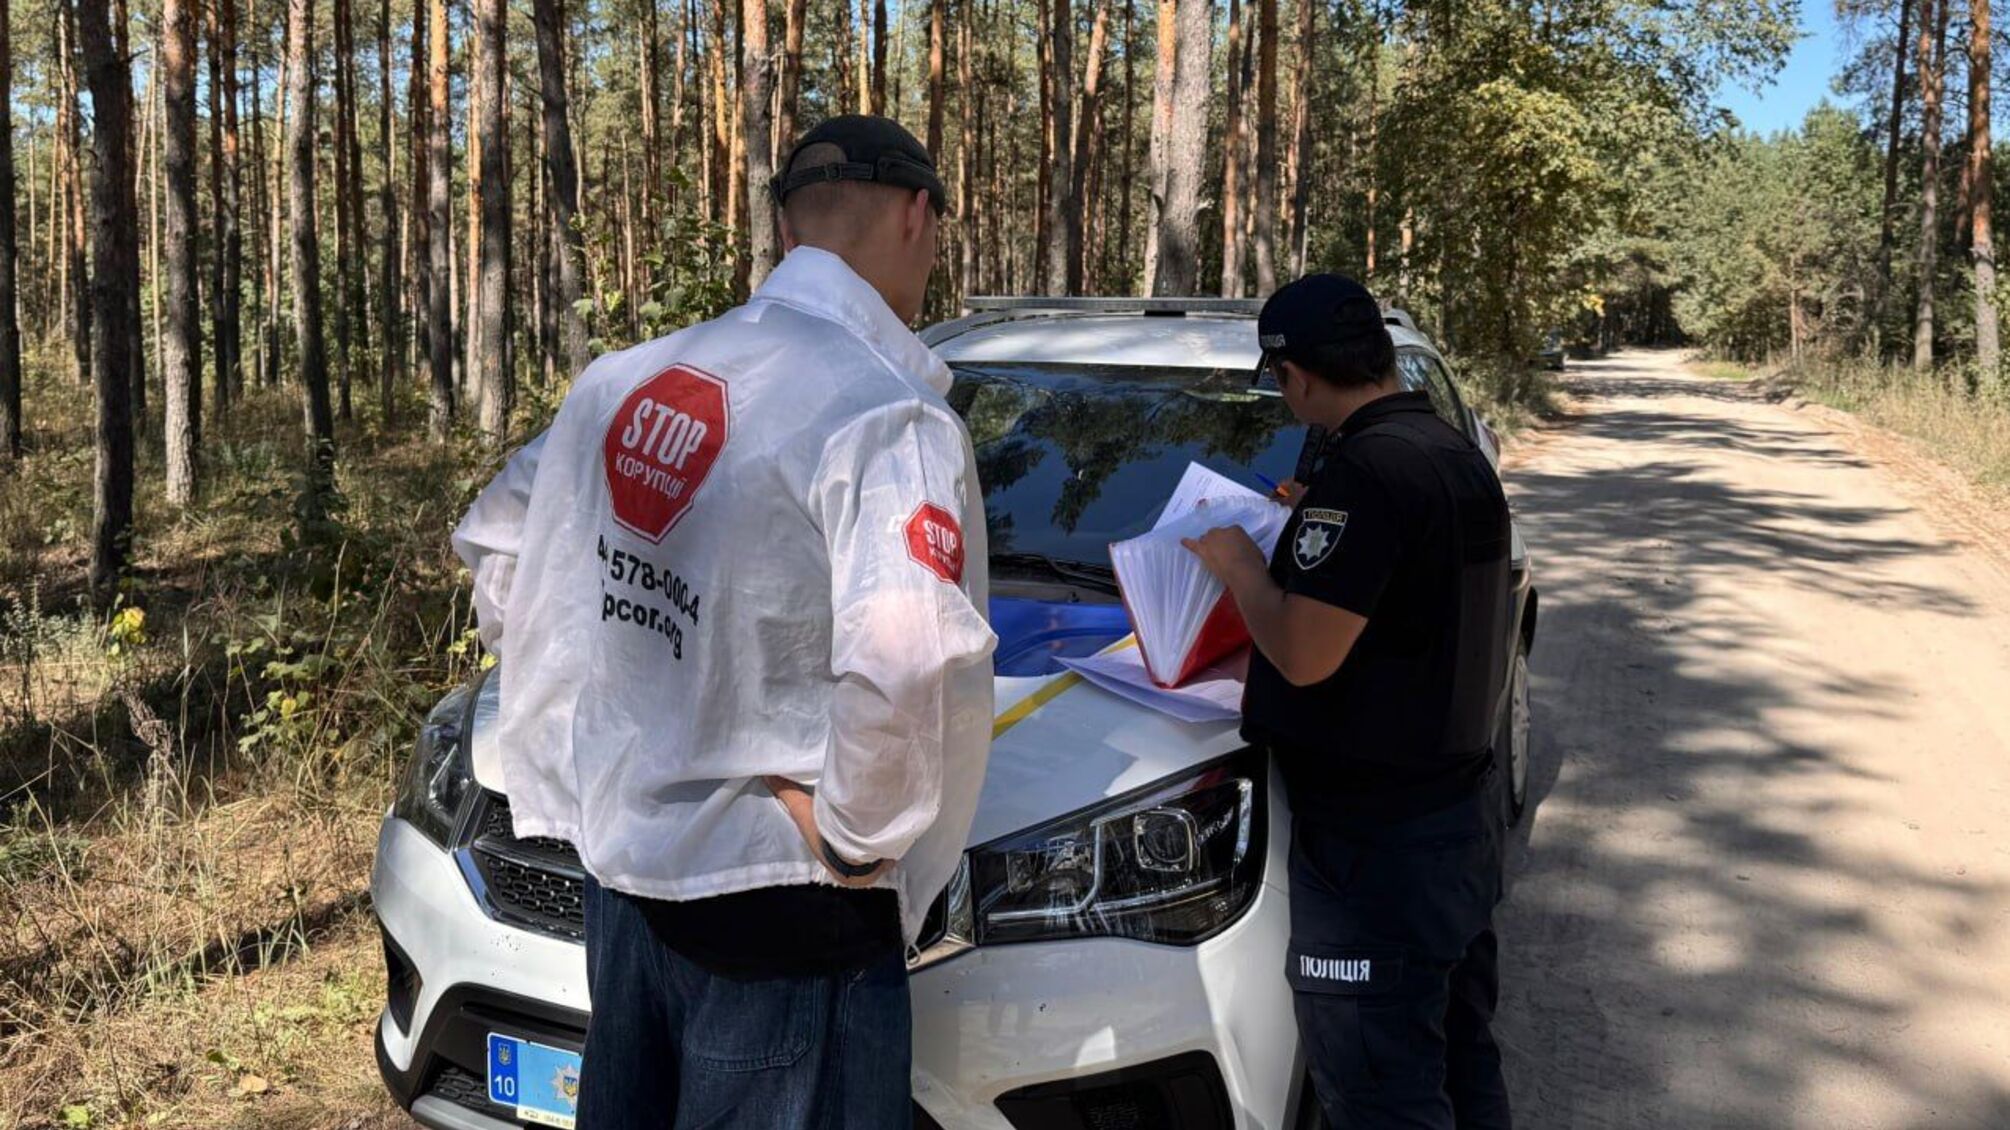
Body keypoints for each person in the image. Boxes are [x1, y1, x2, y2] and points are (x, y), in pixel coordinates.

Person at [450, 115, 996, 1129]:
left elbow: (500, 544)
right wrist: (850, 832)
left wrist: (614, 719)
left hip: (627, 886)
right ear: (920, 215)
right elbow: (914, 653)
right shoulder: (885, 415)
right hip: (785, 907)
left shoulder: (626, 380)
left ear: (790, 232)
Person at [1183, 275, 1514, 1129]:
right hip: (1454, 821)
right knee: (1457, 1051)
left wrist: (1241, 568)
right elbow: (1410, 601)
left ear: (1294, 375)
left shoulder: (1366, 473)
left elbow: (1301, 652)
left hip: (1376, 855)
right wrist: (1309, 523)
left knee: (1379, 1091)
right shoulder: (1451, 453)